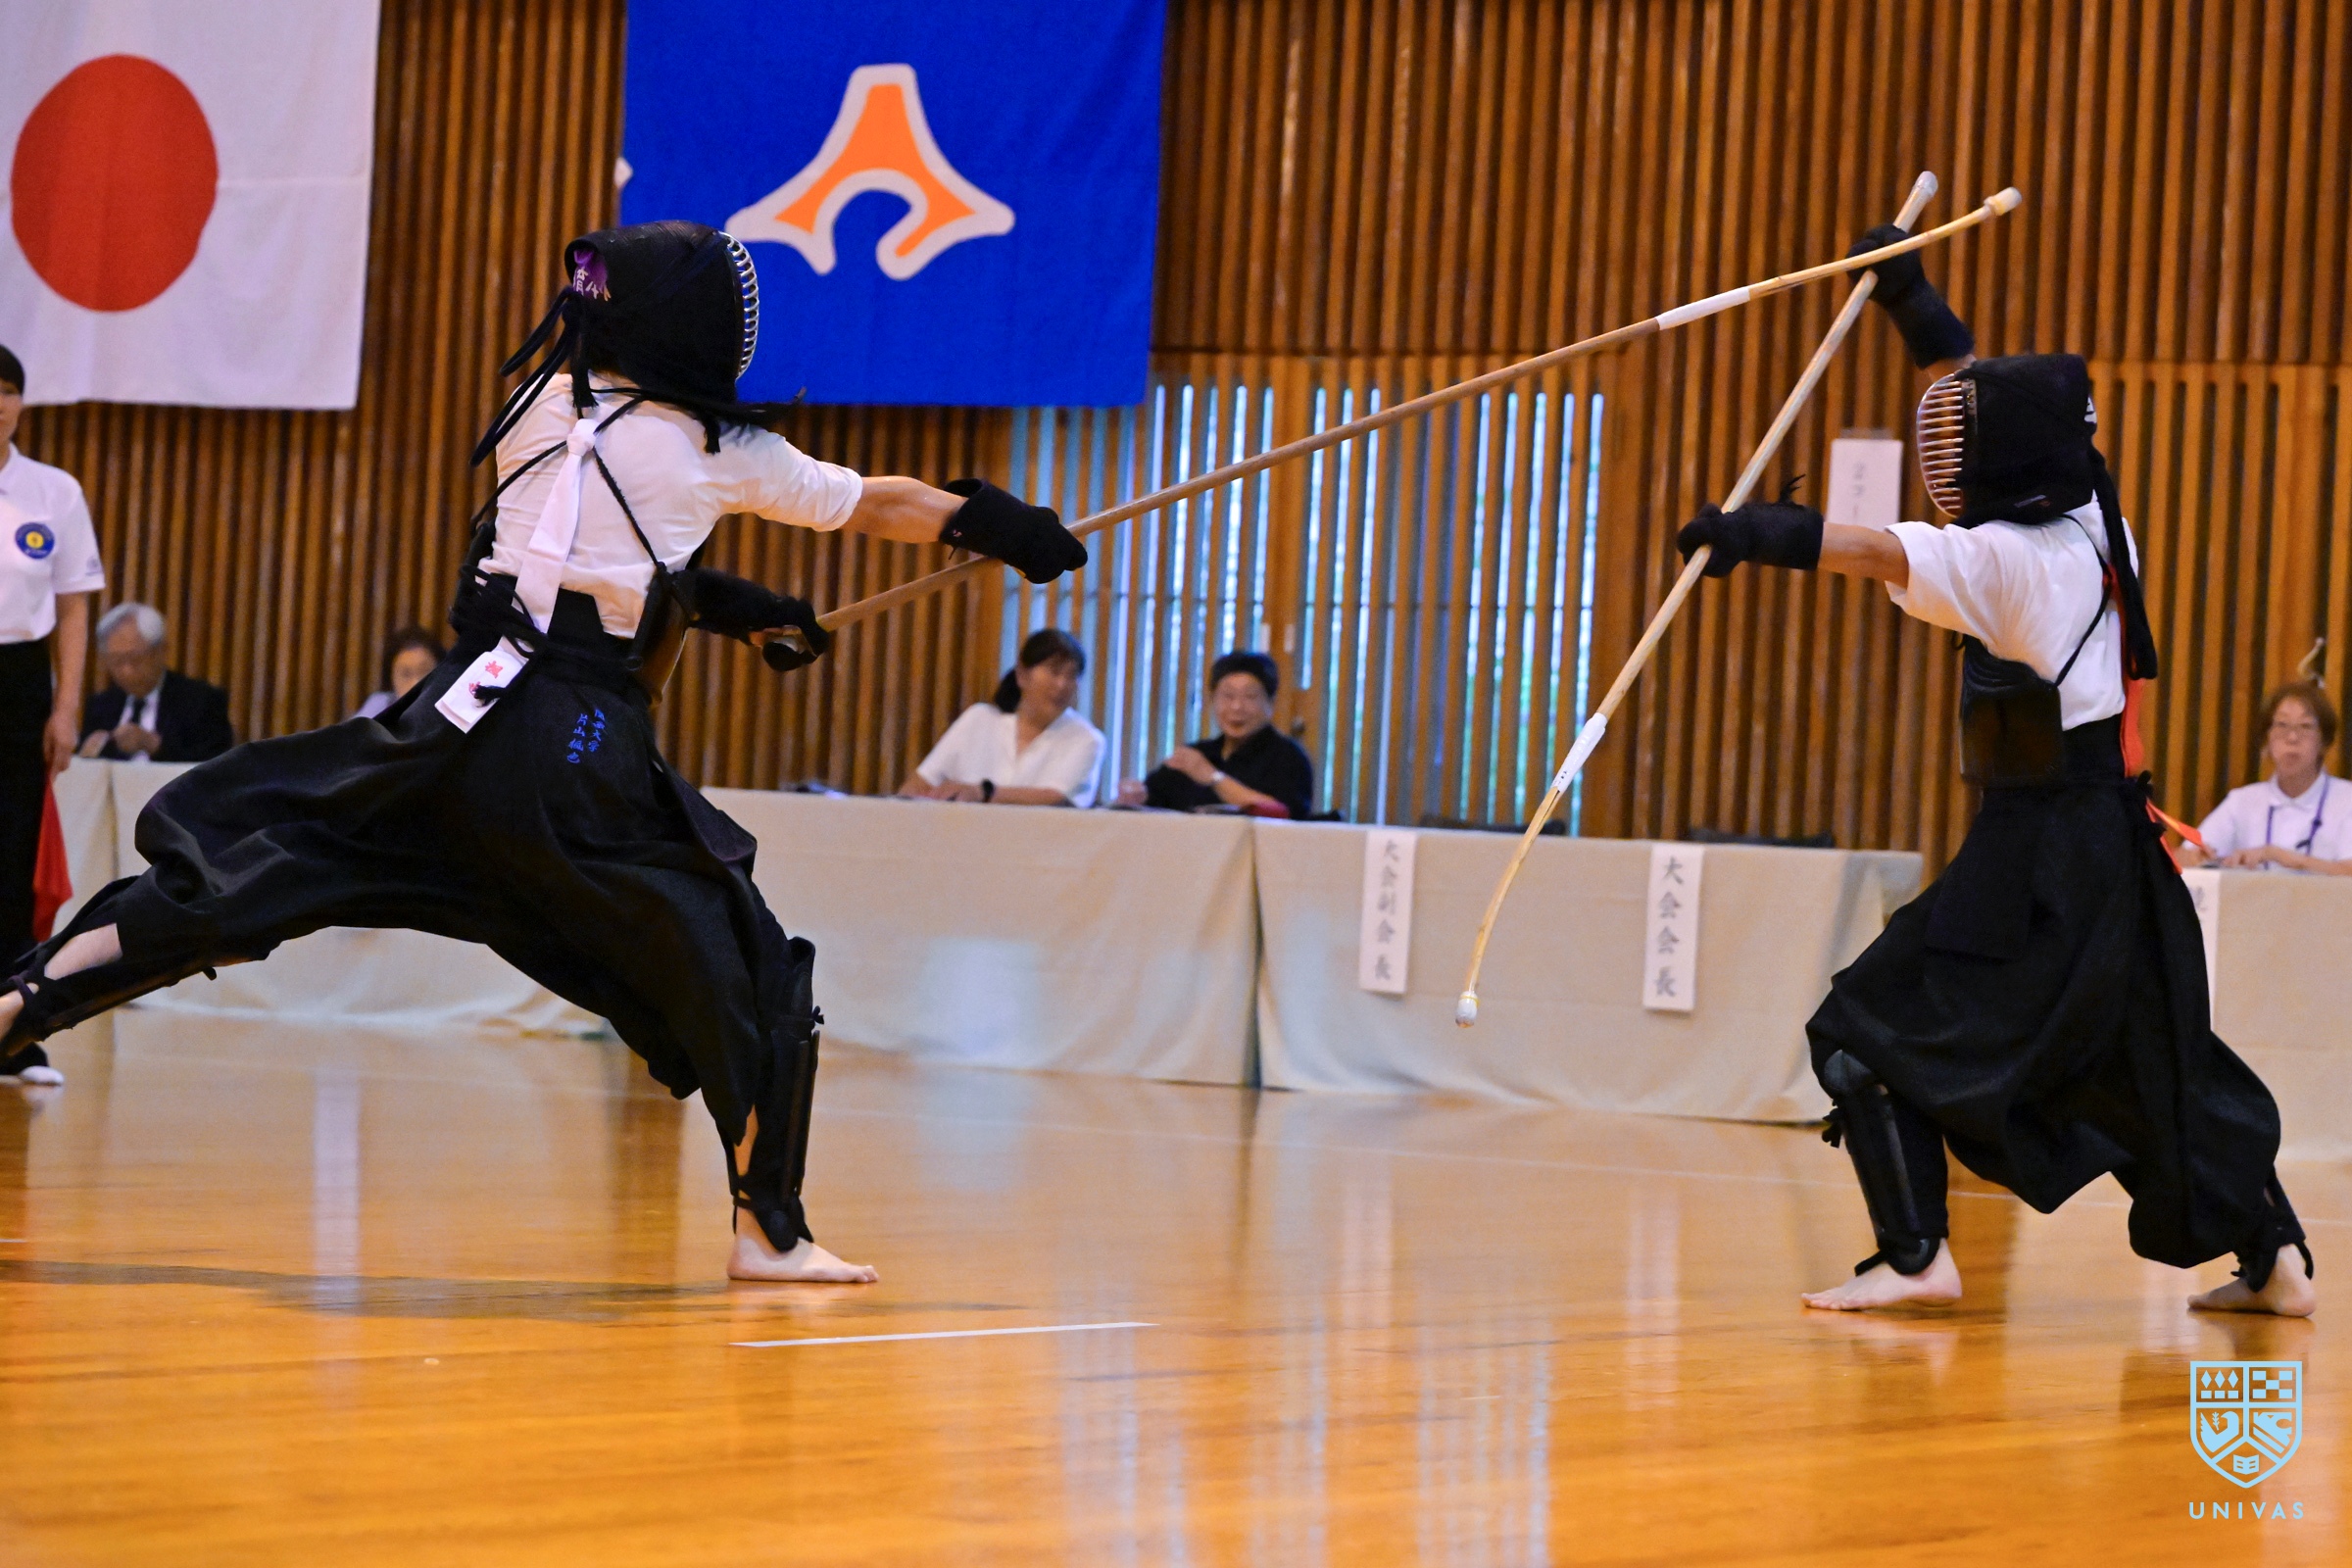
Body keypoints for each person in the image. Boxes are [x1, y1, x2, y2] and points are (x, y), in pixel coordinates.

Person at [0, 220, 1088, 1281]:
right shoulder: (719, 448)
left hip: (448, 720)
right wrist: (1005, 526)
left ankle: (27, 998)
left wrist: (733, 608)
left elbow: (574, 563)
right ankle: (770, 1232)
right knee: (752, 968)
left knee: (263, 866)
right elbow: (879, 504)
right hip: (569, 745)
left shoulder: (541, 404)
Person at [1674, 225, 2313, 1318]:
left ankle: (1916, 1254)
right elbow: (1981, 401)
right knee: (2150, 1065)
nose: (1950, 460)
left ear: (2003, 468)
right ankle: (2277, 1259)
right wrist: (1912, 299)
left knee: (1863, 1030)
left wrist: (1755, 535)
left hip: (2040, 861)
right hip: (2111, 849)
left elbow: (1874, 548)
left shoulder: (2007, 566)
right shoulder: (2097, 521)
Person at [0, 343, 102, 1081]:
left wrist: (66, 708)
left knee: (12, 856)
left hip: (18, 680)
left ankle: (12, 1034)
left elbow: (72, 608)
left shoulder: (53, 491)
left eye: (8, 392)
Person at [899, 627, 1105, 807]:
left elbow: (1055, 797)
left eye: (1072, 675)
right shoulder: (978, 719)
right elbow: (918, 785)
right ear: (1022, 675)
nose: (1062, 685)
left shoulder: (1086, 739)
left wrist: (983, 792)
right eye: (1054, 671)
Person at [2179, 679, 2352, 874]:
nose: (2292, 738)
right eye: (2282, 725)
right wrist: (2197, 857)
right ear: (2266, 739)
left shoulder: (2347, 800)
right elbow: (2181, 857)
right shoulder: (2243, 801)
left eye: (2305, 726)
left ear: (2324, 741)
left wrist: (2280, 856)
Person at [1117, 650, 1314, 818]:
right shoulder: (1198, 754)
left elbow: (1283, 814)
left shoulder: (1288, 757)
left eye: (1250, 697)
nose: (1237, 707)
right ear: (1213, 700)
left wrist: (1212, 777)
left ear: (1271, 703)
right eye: (1227, 696)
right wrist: (1137, 797)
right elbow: (1154, 801)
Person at [75, 603, 234, 762]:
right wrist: (87, 754)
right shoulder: (101, 706)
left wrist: (155, 745)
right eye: (116, 661)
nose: (126, 671)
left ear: (161, 651)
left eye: (135, 659)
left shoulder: (201, 702)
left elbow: (216, 765)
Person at [355, 626, 449, 719]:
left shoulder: (452, 709)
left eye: (424, 671)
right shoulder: (380, 704)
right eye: (405, 674)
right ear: (391, 678)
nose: (415, 684)